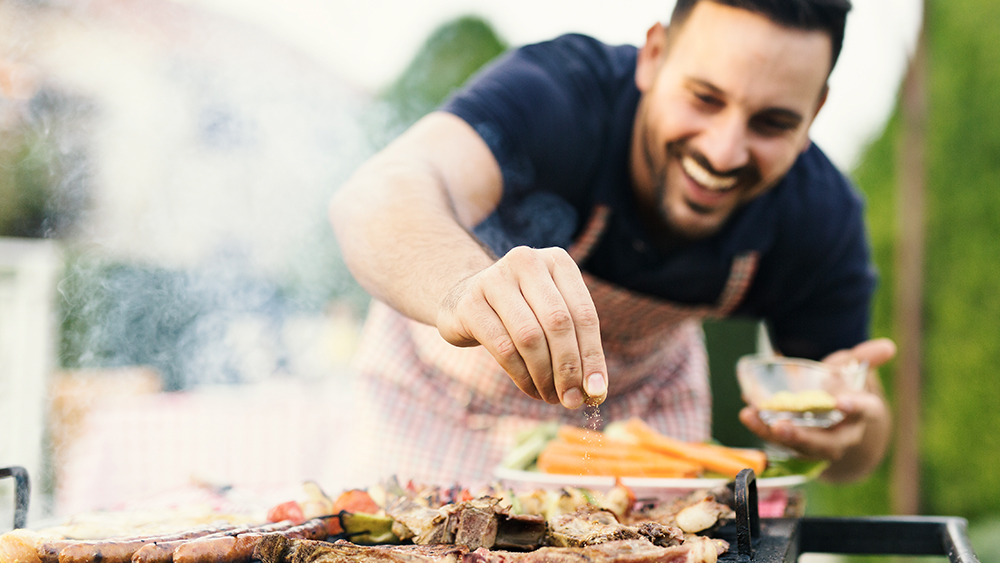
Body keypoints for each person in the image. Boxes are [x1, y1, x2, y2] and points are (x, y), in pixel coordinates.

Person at [330, 0, 896, 488]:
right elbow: (378, 196)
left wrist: (854, 432)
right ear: (653, 56)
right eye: (704, 98)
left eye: (771, 124)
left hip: (640, 421)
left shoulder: (819, 217)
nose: (723, 153)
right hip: (437, 404)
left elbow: (860, 450)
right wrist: (461, 289)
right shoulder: (561, 94)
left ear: (815, 111)